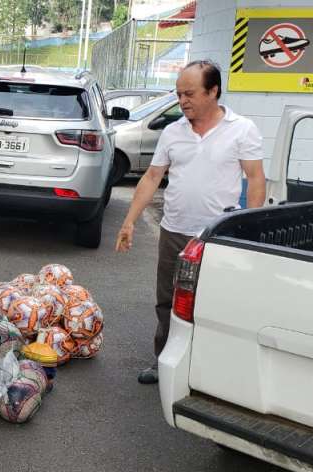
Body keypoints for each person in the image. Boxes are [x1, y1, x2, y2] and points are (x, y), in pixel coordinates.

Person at [115, 60, 265, 385]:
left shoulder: (242, 129)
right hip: (174, 231)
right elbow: (153, 176)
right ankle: (163, 361)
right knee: (167, 299)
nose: (182, 101)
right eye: (179, 94)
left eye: (190, 93)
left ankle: (206, 367)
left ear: (213, 91)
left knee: (212, 302)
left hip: (217, 237)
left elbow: (255, 179)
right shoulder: (173, 131)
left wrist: (250, 232)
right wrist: (129, 221)